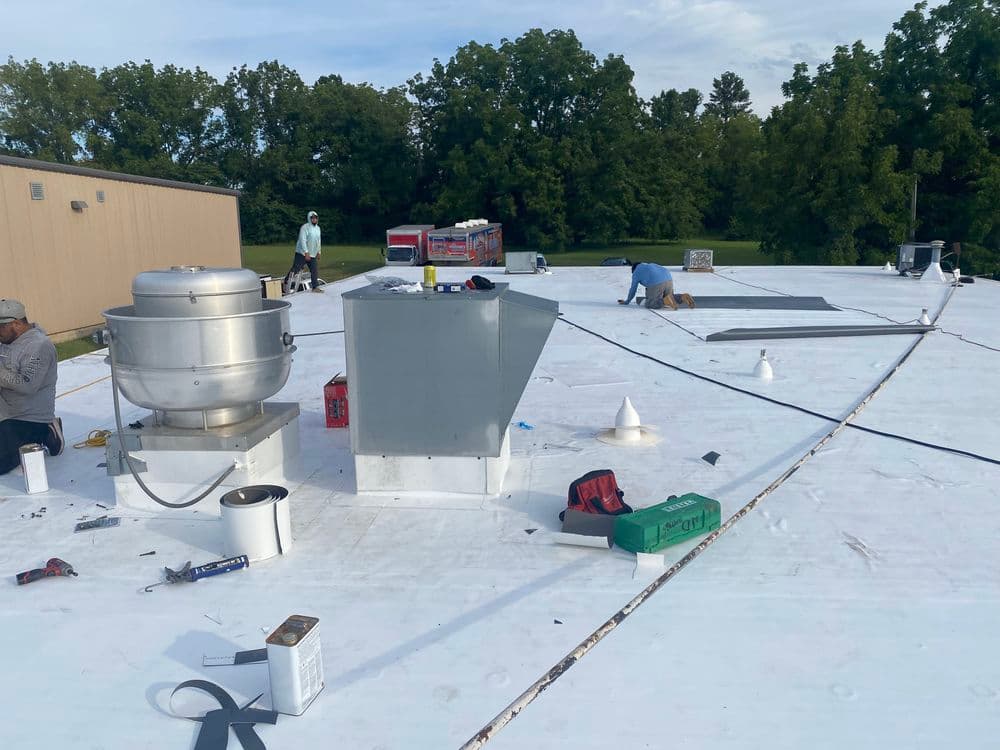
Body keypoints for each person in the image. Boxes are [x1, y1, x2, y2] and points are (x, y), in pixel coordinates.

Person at [0, 299, 63, 475]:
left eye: (0, 327)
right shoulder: (6, 341)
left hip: (27, 417)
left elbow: (27, 385)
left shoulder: (40, 346)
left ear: (17, 323)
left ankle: (47, 431)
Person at [617, 262, 695, 310]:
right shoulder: (651, 265)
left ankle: (665, 300)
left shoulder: (636, 272)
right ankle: (682, 297)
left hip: (656, 283)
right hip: (669, 280)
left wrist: (627, 301)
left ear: (633, 269)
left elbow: (633, 289)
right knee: (671, 298)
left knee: (651, 304)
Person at [283, 210, 324, 293]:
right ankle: (286, 281)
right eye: (312, 218)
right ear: (309, 218)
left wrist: (319, 252)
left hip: (312, 253)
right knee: (296, 268)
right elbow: (302, 240)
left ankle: (315, 287)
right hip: (301, 253)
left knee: (314, 270)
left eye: (316, 218)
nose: (314, 220)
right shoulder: (305, 227)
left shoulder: (318, 228)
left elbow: (318, 240)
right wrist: (306, 252)